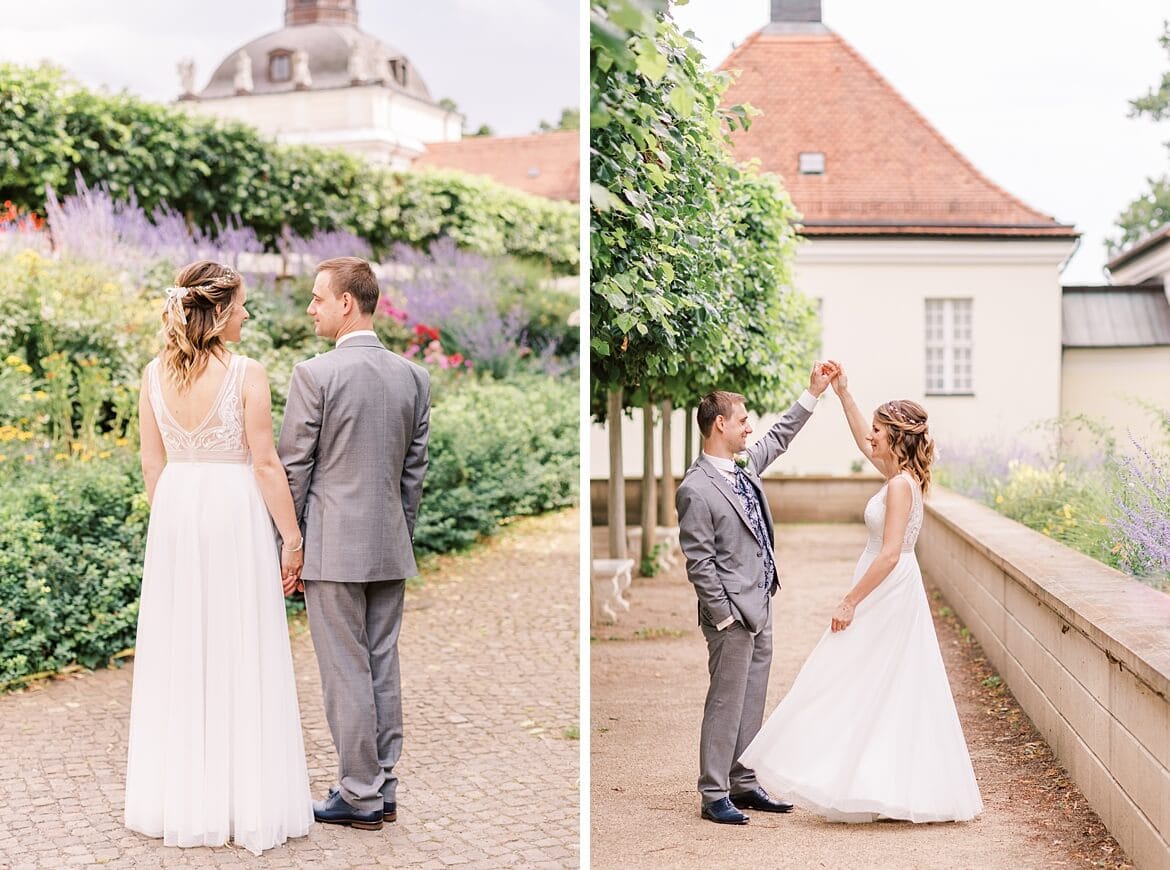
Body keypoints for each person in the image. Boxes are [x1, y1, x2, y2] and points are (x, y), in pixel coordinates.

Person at [738, 361, 983, 823]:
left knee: (848, 673)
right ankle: (870, 781)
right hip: (888, 588)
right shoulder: (899, 476)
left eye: (877, 430)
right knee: (878, 680)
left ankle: (863, 780)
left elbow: (889, 554)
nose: (870, 436)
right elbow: (859, 439)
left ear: (895, 437)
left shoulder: (900, 487)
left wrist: (850, 600)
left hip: (885, 591)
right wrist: (843, 393)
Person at [125, 261, 313, 855]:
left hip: (176, 511)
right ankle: (242, 801)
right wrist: (292, 538)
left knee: (182, 648)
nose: (248, 314)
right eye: (242, 305)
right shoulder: (246, 373)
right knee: (238, 642)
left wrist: (172, 519)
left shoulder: (152, 374)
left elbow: (151, 462)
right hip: (234, 513)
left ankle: (180, 801)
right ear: (220, 311)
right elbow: (265, 464)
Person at [278, 257, 431, 831]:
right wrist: (398, 533)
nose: (311, 308)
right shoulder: (413, 376)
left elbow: (294, 469)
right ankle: (383, 785)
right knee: (381, 663)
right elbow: (413, 474)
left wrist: (289, 545)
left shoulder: (314, 375)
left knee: (345, 670)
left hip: (332, 549)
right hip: (389, 544)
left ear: (347, 303)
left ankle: (359, 793)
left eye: (318, 298)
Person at [675, 363, 837, 825]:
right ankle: (713, 793)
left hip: (761, 605)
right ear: (719, 424)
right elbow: (699, 562)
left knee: (751, 699)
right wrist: (724, 615)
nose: (750, 428)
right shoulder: (695, 489)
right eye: (743, 421)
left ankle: (742, 782)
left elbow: (780, 436)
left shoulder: (744, 467)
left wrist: (812, 394)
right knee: (725, 702)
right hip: (730, 616)